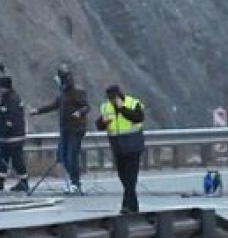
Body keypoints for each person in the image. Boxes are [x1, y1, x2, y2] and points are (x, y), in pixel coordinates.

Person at [29, 64, 89, 194]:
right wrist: (38, 111)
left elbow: (86, 107)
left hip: (76, 129)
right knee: (63, 156)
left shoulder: (78, 92)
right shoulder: (63, 94)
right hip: (65, 129)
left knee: (72, 155)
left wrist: (79, 112)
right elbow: (54, 105)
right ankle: (73, 181)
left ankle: (75, 182)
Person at [95, 84, 145, 214]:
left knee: (130, 177)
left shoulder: (133, 103)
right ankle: (133, 205)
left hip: (133, 145)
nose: (111, 100)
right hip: (118, 147)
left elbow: (138, 117)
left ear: (119, 95)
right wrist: (103, 123)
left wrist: (122, 108)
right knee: (123, 176)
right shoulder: (106, 107)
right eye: (110, 98)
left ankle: (126, 205)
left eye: (113, 98)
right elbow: (98, 125)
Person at [0, 75, 29, 192]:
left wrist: (4, 131)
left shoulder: (11, 99)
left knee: (17, 160)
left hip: (13, 137)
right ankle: (0, 180)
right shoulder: (9, 97)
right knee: (2, 158)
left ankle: (24, 181)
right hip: (9, 136)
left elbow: (10, 119)